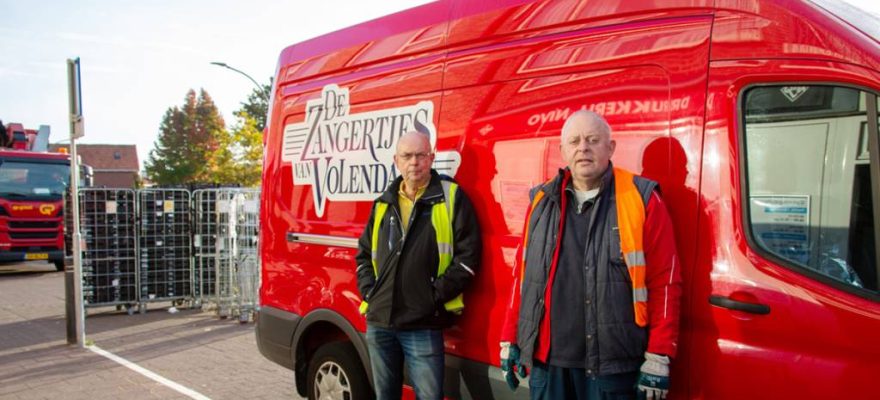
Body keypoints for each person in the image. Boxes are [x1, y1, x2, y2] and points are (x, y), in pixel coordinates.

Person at [499, 110, 682, 400]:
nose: (583, 147)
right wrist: (510, 337)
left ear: (611, 148)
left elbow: (666, 281)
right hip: (549, 364)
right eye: (574, 141)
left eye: (593, 140)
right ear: (563, 151)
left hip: (611, 367)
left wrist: (659, 355)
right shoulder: (541, 201)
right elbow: (523, 276)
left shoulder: (641, 198)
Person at [355, 130, 482, 400]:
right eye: (407, 156)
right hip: (380, 321)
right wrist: (370, 293)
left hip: (423, 322)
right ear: (396, 161)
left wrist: (432, 297)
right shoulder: (382, 203)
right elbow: (363, 255)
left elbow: (468, 258)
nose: (414, 162)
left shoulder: (451, 197)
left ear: (431, 158)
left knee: (429, 396)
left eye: (420, 155)